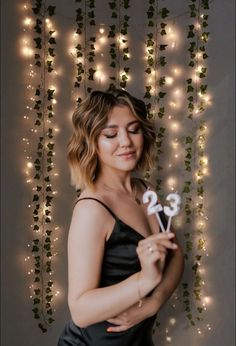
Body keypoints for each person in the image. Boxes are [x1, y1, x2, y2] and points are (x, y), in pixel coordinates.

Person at [58, 88, 184, 345]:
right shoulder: (92, 208)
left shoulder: (146, 191)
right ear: (92, 143)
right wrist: (145, 279)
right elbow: (80, 312)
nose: (126, 142)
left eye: (134, 130)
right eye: (111, 134)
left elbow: (177, 255)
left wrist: (152, 303)